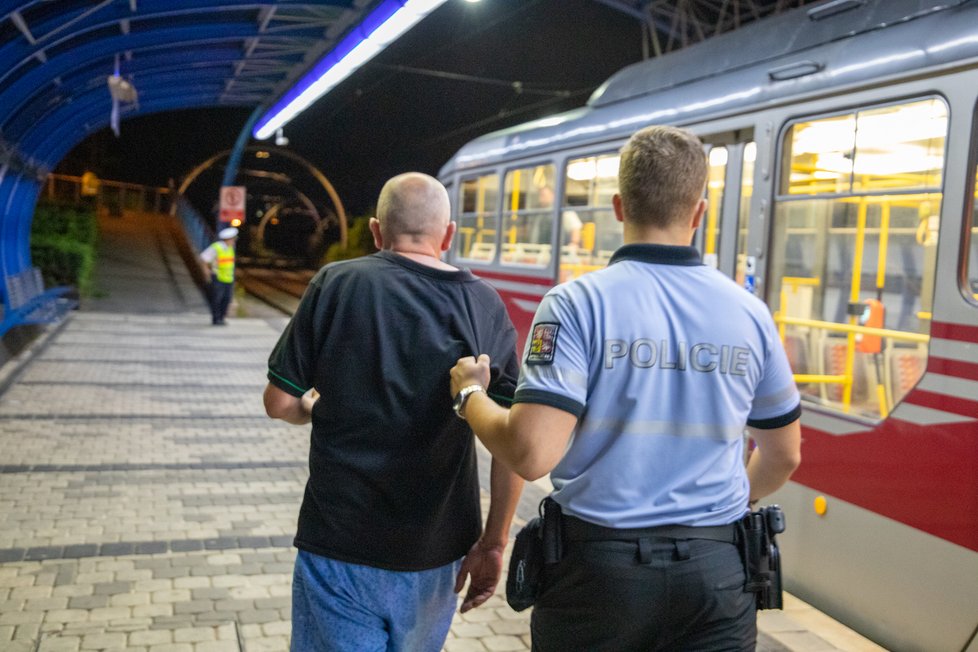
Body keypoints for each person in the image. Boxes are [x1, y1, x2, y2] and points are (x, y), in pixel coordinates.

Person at [450, 126, 802, 651]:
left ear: (618, 206)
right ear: (700, 211)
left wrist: (469, 397)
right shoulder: (749, 314)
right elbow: (784, 456)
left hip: (599, 577)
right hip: (715, 577)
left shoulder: (575, 305)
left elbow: (530, 452)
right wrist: (720, 506)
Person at [263, 172, 523, 652]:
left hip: (340, 542)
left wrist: (308, 408)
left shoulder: (336, 283)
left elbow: (279, 401)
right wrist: (493, 542)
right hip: (437, 551)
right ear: (447, 236)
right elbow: (512, 441)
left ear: (378, 232)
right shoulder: (485, 305)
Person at [199, 226, 237, 325]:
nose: (234, 241)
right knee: (217, 299)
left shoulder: (230, 248)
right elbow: (204, 258)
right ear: (228, 239)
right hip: (218, 277)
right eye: (233, 239)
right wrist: (206, 270)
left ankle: (221, 317)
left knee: (226, 299)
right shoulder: (217, 247)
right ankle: (216, 319)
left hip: (228, 278)